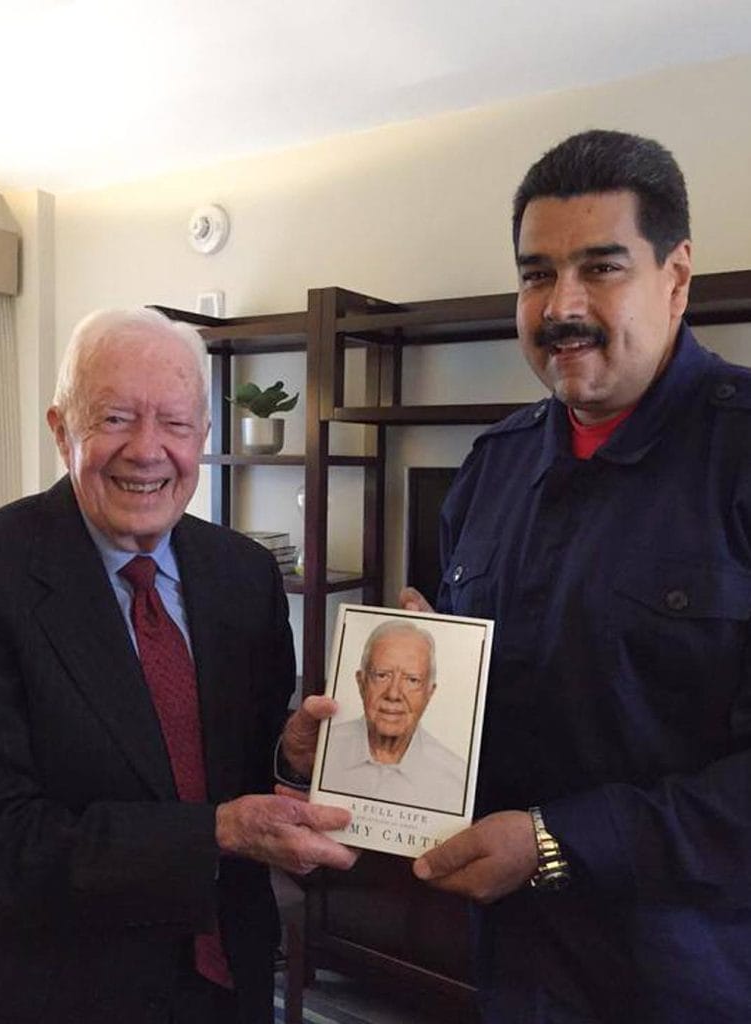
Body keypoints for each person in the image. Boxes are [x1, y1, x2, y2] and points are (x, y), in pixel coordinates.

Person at [399, 130, 751, 1023]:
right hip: (516, 963)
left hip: (701, 972)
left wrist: (557, 841)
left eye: (600, 268)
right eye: (533, 274)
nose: (560, 306)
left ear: (675, 279)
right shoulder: (492, 467)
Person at [0, 307, 356, 1024]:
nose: (147, 450)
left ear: (204, 438)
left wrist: (287, 754)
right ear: (61, 429)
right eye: (117, 418)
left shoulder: (245, 574)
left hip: (228, 981)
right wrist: (214, 833)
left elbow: (232, 764)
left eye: (176, 424)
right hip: (50, 993)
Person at [320, 620, 466, 812]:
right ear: (361, 682)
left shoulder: (456, 778)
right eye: (382, 675)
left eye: (412, 680)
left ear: (429, 693)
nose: (394, 694)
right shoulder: (322, 751)